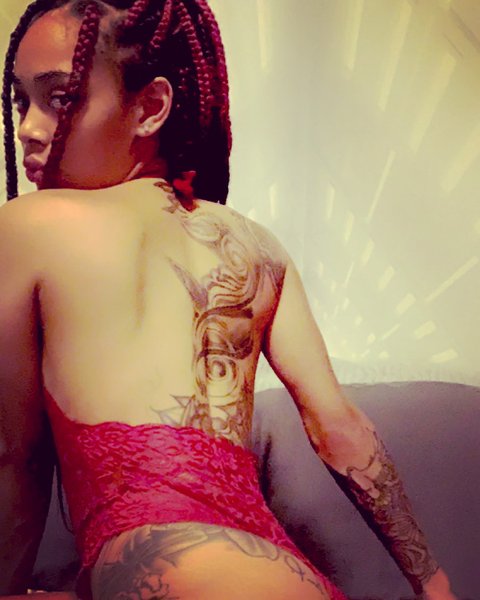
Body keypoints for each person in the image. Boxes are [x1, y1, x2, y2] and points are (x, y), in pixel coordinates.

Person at [0, 1, 457, 599]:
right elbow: (339, 426)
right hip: (292, 575)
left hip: (173, 571)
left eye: (60, 99)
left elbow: (17, 458)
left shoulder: (29, 225)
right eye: (20, 102)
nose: (29, 128)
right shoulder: (257, 246)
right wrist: (434, 584)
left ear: (151, 108)